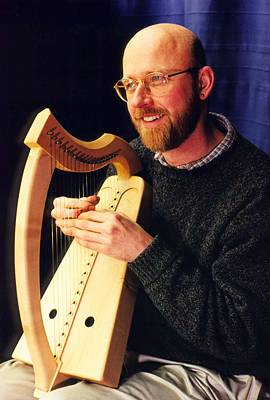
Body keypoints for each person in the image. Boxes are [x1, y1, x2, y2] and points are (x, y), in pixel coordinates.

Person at [1, 22, 270, 400]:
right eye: (129, 85)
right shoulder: (134, 160)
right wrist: (80, 221)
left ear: (203, 83)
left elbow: (241, 337)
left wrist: (143, 250)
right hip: (117, 353)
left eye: (157, 79)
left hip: (211, 372)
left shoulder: (257, 188)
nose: (140, 101)